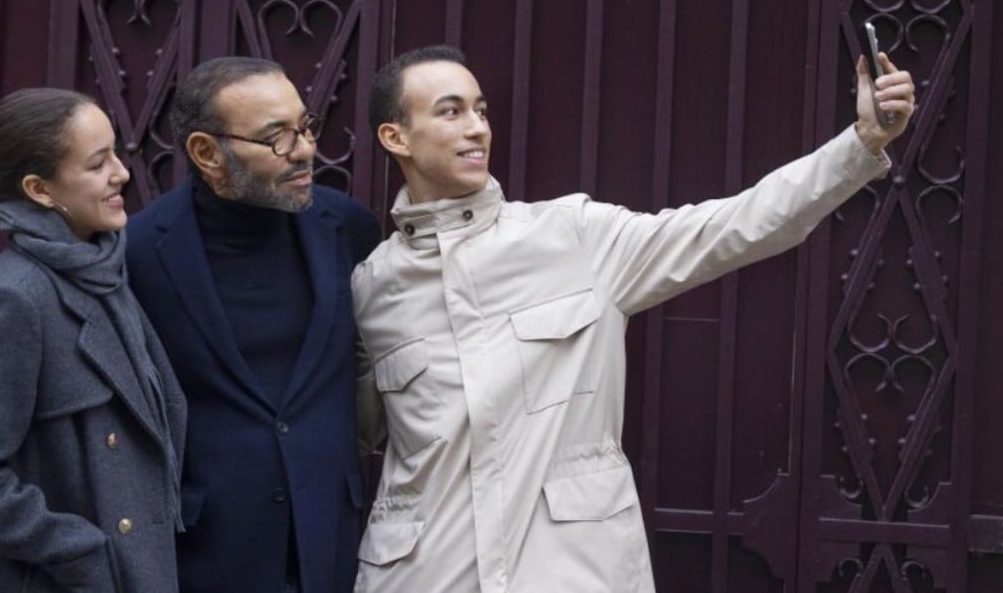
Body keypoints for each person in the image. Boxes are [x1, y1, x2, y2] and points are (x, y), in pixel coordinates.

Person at [351, 44, 916, 592]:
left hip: (572, 570)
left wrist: (861, 143)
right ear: (395, 136)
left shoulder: (573, 235)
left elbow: (734, 226)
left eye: (481, 111)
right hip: (423, 574)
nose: (477, 128)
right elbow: (350, 431)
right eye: (451, 112)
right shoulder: (373, 287)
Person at [125, 56, 382, 592]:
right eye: (276, 139)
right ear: (206, 153)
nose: (307, 150)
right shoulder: (140, 254)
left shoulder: (351, 230)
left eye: (305, 127)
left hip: (330, 545)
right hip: (205, 554)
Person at [0, 87, 187, 592]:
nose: (122, 174)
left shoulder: (100, 270)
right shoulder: (20, 296)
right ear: (41, 190)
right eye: (96, 165)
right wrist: (80, 551)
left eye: (115, 153)